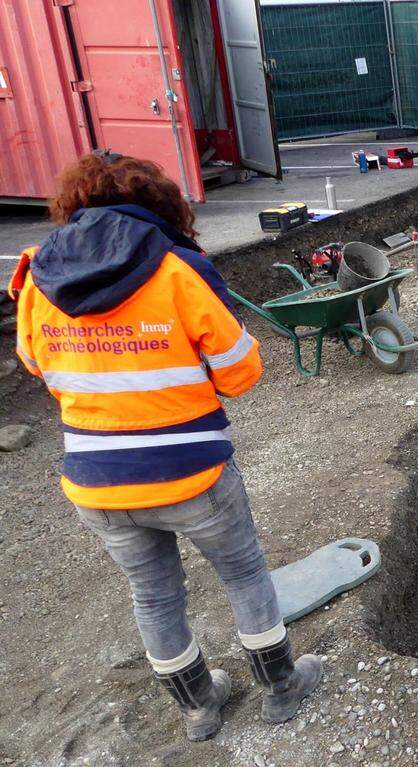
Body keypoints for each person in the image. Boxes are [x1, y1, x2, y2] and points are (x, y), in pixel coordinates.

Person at [7, 152, 322, 741]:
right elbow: (239, 372)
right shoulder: (178, 269)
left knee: (152, 594)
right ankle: (282, 688)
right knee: (245, 575)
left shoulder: (34, 274)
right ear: (159, 205)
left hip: (95, 481)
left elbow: (35, 363)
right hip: (191, 472)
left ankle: (199, 707)